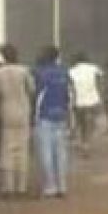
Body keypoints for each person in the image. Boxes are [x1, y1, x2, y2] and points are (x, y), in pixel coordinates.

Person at [0, 45, 35, 198]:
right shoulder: (24, 71)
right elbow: (32, 90)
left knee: (7, 150)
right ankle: (21, 187)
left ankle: (7, 187)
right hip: (23, 111)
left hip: (6, 111)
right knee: (22, 150)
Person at [34, 46, 73, 198]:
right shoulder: (64, 72)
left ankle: (50, 186)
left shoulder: (39, 73)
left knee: (46, 152)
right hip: (61, 115)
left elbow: (36, 95)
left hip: (44, 116)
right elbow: (69, 95)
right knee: (61, 153)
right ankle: (62, 185)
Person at [68, 53, 103, 157]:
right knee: (90, 124)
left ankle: (81, 140)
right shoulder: (93, 68)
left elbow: (70, 87)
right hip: (93, 100)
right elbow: (100, 78)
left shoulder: (71, 71)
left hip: (78, 101)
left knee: (81, 123)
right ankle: (86, 143)